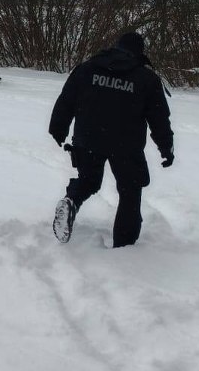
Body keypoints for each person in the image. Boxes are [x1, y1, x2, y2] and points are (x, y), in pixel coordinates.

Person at [48, 32, 174, 247]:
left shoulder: (88, 69)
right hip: (127, 146)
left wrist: (58, 128)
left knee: (88, 180)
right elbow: (159, 118)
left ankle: (71, 201)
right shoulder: (146, 79)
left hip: (88, 139)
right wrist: (166, 148)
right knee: (130, 192)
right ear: (139, 52)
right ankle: (124, 249)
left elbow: (66, 100)